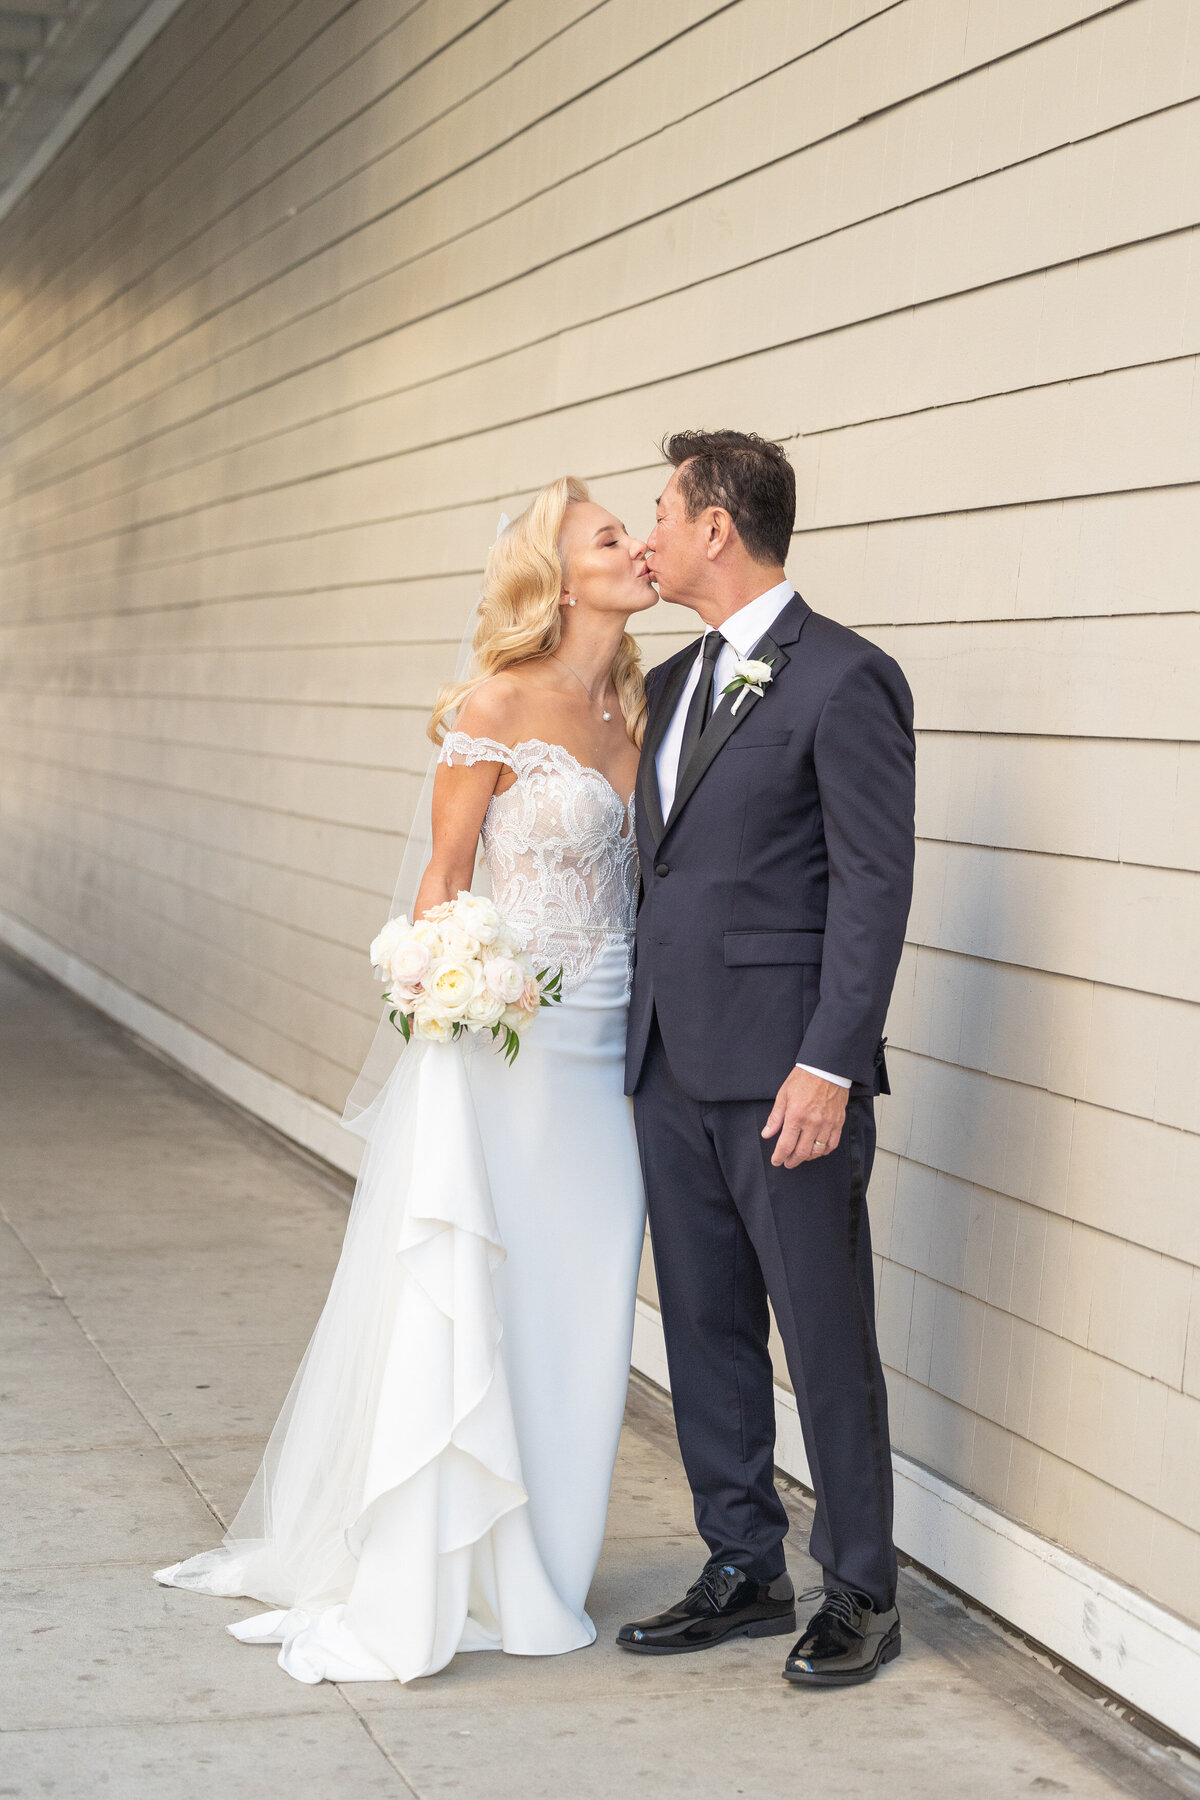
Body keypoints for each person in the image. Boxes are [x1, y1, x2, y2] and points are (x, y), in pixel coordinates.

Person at [156, 477, 655, 1684]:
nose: (636, 547)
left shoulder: (643, 709)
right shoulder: (498, 703)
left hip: (614, 1054)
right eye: (609, 536)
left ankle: (544, 1552)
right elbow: (441, 888)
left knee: (583, 1292)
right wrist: (454, 991)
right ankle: (448, 1557)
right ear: (558, 571)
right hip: (511, 1050)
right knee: (486, 1280)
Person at [620, 430, 916, 1687]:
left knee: (823, 1329)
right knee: (702, 1325)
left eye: (661, 512)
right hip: (667, 1064)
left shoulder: (846, 678)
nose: (648, 534)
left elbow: (874, 884)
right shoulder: (677, 678)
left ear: (717, 528)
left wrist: (830, 1064)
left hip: (789, 1073)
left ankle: (862, 1587)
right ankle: (743, 1564)